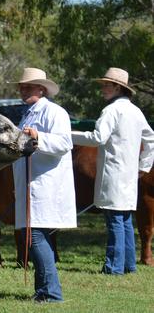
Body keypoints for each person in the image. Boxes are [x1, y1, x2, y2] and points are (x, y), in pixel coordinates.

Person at [71, 67, 154, 275]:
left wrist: (69, 134)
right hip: (128, 175)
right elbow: (151, 138)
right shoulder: (136, 111)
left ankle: (114, 267)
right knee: (124, 220)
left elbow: (98, 138)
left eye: (106, 85)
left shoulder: (111, 110)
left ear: (118, 87)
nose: (103, 89)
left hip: (113, 174)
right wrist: (143, 166)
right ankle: (128, 265)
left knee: (116, 220)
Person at [11, 68, 76, 303]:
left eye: (29, 86)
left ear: (42, 88)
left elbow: (64, 142)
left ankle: (52, 292)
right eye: (22, 86)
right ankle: (43, 291)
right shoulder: (27, 115)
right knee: (35, 236)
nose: (23, 89)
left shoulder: (55, 112)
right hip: (31, 184)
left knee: (35, 237)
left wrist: (39, 137)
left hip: (46, 186)